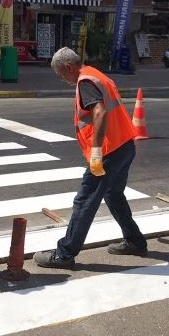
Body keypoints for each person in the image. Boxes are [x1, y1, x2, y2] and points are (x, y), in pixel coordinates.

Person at [33, 47, 147, 269]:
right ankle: (135, 241)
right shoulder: (95, 74)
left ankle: (65, 254)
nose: (62, 79)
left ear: (68, 67)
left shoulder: (85, 82)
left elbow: (100, 112)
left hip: (108, 151)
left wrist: (96, 152)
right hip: (124, 145)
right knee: (114, 195)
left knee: (85, 200)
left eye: (60, 74)